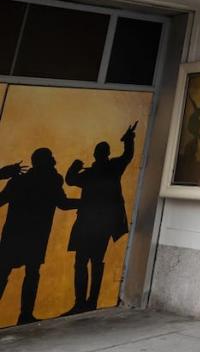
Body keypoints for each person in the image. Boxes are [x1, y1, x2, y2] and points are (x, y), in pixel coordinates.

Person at [64, 122, 137, 315]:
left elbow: (70, 179)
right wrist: (129, 139)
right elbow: (128, 155)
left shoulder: (89, 173)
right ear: (106, 153)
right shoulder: (113, 167)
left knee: (82, 261)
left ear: (96, 154)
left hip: (88, 223)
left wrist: (75, 166)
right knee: (95, 261)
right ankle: (91, 302)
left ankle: (81, 303)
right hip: (102, 224)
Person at [0, 148, 79, 325]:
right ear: (44, 161)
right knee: (32, 273)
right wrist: (86, 202)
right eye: (50, 157)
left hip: (13, 234)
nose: (54, 160)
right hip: (36, 235)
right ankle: (25, 315)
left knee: (4, 272)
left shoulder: (19, 181)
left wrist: (2, 175)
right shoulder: (52, 181)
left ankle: (26, 315)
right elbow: (63, 204)